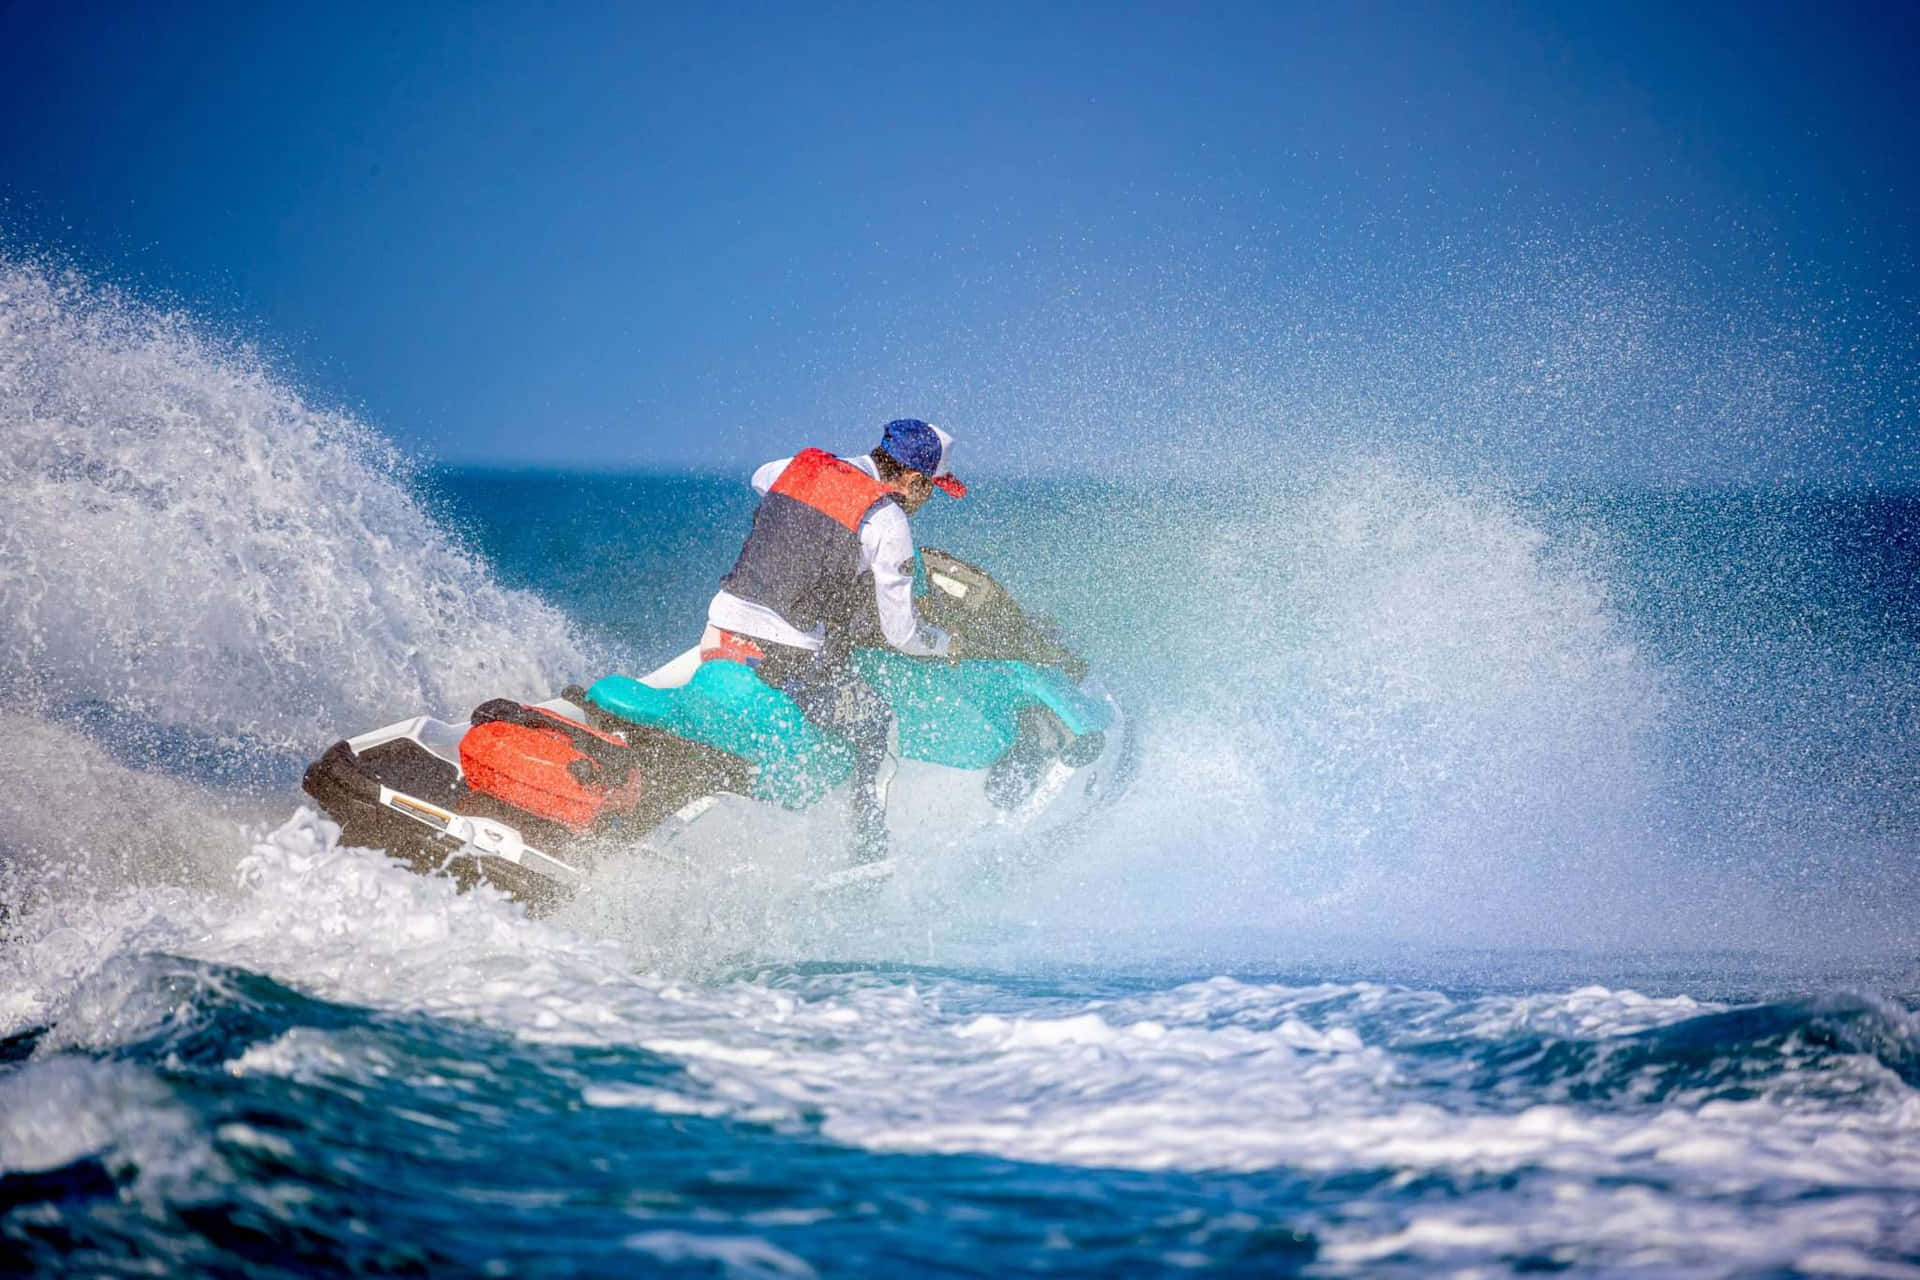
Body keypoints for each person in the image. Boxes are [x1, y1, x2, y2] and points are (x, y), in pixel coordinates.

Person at [705, 419, 968, 863]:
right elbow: (901, 635)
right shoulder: (888, 520)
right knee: (877, 726)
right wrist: (945, 644)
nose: (927, 501)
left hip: (720, 625)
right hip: (783, 655)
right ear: (912, 479)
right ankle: (866, 853)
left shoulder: (798, 467)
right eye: (931, 490)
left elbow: (760, 478)